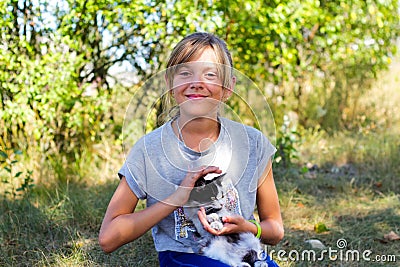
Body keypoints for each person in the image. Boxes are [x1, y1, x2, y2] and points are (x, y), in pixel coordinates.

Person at [99, 32, 284, 266]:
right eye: (185, 73)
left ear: (228, 87)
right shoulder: (149, 150)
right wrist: (177, 198)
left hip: (243, 253)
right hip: (184, 258)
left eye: (210, 74)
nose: (196, 82)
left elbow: (275, 230)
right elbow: (108, 238)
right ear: (169, 83)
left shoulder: (252, 143)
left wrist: (248, 226)